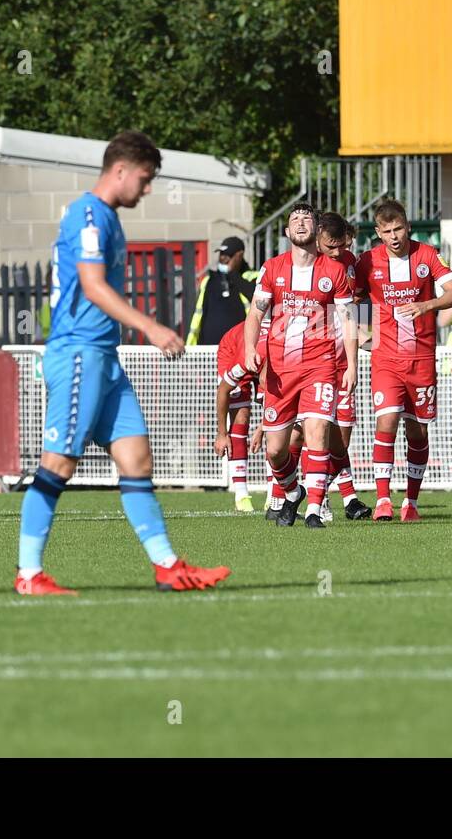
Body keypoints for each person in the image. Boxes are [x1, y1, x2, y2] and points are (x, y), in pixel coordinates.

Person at [17, 131, 231, 594]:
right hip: (78, 354)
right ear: (120, 170)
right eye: (145, 178)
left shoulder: (107, 217)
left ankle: (167, 566)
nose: (148, 188)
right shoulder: (89, 214)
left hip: (104, 356)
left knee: (136, 458)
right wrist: (151, 327)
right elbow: (92, 285)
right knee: (59, 463)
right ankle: (29, 574)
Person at [244, 201, 356, 529]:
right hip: (281, 371)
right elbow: (255, 312)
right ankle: (293, 492)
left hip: (320, 366)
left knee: (318, 430)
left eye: (307, 218)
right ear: (287, 230)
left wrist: (351, 365)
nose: (300, 222)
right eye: (294, 218)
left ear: (316, 228)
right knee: (276, 450)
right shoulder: (273, 268)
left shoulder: (333, 271)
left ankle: (315, 510)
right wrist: (251, 347)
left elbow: (349, 318)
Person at [356, 199, 452, 521]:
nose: (394, 236)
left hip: (421, 359)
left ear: (408, 227)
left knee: (417, 432)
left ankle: (411, 503)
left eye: (398, 229)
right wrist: (360, 334)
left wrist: (426, 305)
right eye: (386, 231)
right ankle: (382, 500)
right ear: (378, 232)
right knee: (386, 420)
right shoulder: (368, 261)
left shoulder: (427, 255)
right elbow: (349, 296)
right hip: (386, 358)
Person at [316, 212, 371, 520]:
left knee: (342, 435)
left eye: (341, 245)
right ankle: (314, 495)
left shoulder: (349, 261)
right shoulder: (305, 266)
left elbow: (358, 303)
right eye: (330, 246)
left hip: (343, 359)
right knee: (313, 432)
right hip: (315, 360)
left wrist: (367, 335)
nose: (336, 252)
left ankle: (340, 497)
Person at [212, 319, 267, 511]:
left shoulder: (283, 359)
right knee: (241, 416)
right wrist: (221, 434)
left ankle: (275, 494)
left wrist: (262, 429)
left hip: (267, 359)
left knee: (278, 421)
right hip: (233, 348)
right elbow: (223, 391)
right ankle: (241, 494)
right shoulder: (242, 359)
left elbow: (277, 412)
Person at [185, 235, 260, 345]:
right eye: (221, 254)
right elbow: (199, 315)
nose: (222, 258)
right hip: (208, 350)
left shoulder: (251, 277)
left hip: (239, 349)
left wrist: (232, 273)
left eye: (227, 255)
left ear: (239, 256)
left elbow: (256, 299)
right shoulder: (208, 280)